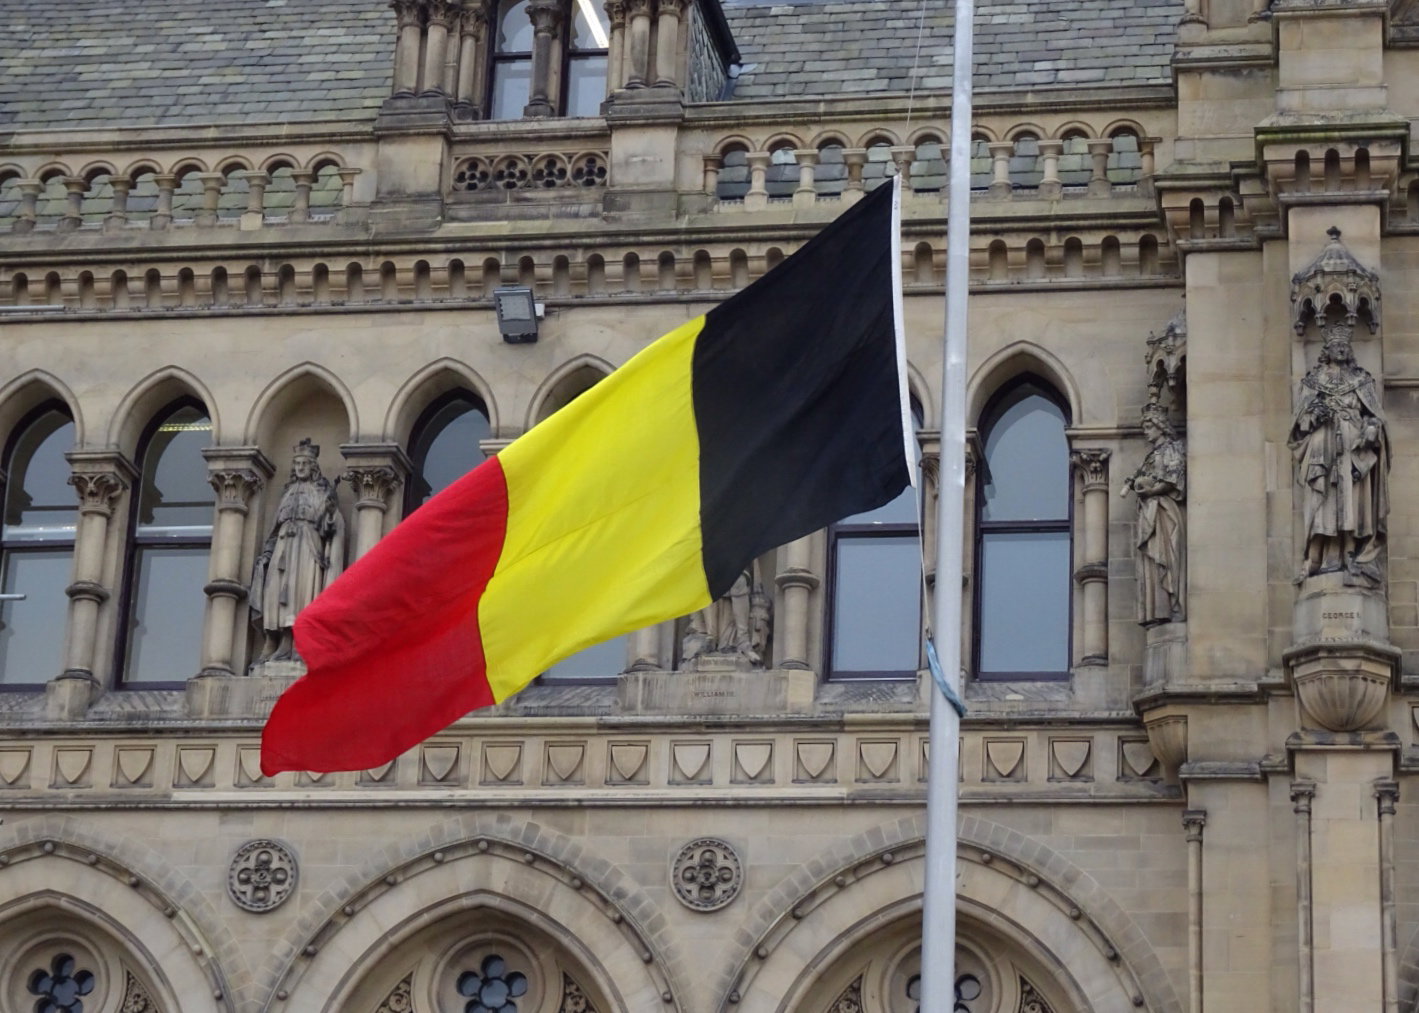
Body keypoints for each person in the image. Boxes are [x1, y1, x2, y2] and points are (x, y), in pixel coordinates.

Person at [1288, 330, 1389, 586]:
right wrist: (1313, 417)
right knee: (1324, 503)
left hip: (1354, 451)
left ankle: (1352, 554)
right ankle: (1320, 557)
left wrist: (1371, 428)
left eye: (1345, 344)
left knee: (1353, 504)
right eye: (1336, 345)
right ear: (1327, 351)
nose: (1341, 348)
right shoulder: (1314, 381)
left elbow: (1375, 416)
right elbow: (1299, 424)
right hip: (1323, 450)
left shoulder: (1361, 380)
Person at [251, 439, 345, 662]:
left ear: (313, 466)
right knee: (275, 592)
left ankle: (296, 643)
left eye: (304, 463)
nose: (300, 467)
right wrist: (267, 553)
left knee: (300, 593)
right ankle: (275, 640)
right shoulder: (287, 493)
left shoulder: (320, 492)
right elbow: (274, 529)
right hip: (283, 548)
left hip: (307, 548)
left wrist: (330, 514)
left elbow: (329, 526)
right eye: (297, 463)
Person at [1122, 402, 1186, 625]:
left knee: (1165, 556)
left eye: (1149, 427)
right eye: (1144, 427)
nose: (1146, 432)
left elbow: (1172, 479)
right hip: (1149, 510)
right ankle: (1156, 611)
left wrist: (1150, 489)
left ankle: (1169, 606)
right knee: (1151, 559)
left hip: (1163, 510)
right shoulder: (1151, 456)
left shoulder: (1172, 449)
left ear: (1161, 426)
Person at [682, 559, 770, 667]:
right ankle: (710, 637)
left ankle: (743, 641)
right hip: (709, 559)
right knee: (705, 580)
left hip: (735, 558)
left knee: (739, 581)